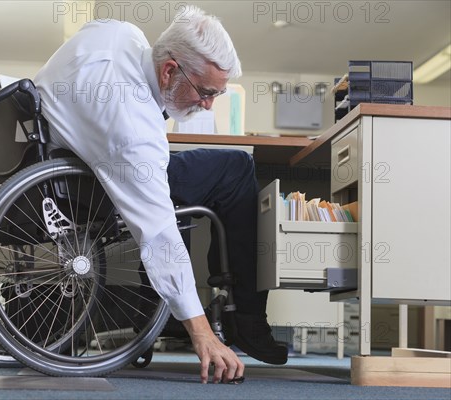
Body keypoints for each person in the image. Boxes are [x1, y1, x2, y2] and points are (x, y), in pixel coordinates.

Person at [34, 5, 287, 384]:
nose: (207, 105)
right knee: (236, 169)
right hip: (85, 187)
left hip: (64, 168)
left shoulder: (118, 33)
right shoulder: (134, 134)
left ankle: (192, 313)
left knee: (213, 168)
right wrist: (201, 331)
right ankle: (245, 317)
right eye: (205, 93)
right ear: (169, 70)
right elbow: (158, 236)